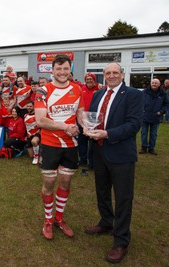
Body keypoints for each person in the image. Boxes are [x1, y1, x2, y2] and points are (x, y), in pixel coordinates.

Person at [85, 63, 143, 264]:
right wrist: (87, 127)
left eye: (115, 72)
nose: (111, 76)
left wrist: (107, 134)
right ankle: (106, 223)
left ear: (122, 74)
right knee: (102, 192)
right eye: (108, 73)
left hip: (121, 154)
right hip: (99, 151)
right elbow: (91, 117)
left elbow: (134, 125)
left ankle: (121, 241)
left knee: (123, 198)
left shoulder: (133, 94)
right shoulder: (98, 95)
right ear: (104, 75)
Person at [34, 54, 84, 240]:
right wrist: (65, 127)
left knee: (65, 182)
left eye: (65, 68)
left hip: (71, 145)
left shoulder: (77, 89)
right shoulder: (43, 91)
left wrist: (86, 125)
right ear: (52, 70)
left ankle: (59, 219)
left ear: (70, 69)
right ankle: (48, 220)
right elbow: (40, 119)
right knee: (49, 183)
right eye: (58, 69)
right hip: (50, 144)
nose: (62, 72)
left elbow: (80, 114)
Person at [139, 79, 168, 155]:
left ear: (159, 84)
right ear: (150, 84)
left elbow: (166, 105)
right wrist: (141, 110)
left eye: (156, 83)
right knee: (144, 133)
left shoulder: (163, 94)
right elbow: (139, 102)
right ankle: (144, 147)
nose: (154, 84)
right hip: (145, 116)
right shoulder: (144, 92)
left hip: (156, 117)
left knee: (154, 134)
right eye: (152, 83)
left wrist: (161, 111)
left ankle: (151, 148)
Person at [78, 73, 100, 175]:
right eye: (87, 79)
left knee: (92, 142)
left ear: (94, 80)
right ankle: (82, 160)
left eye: (91, 79)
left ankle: (92, 162)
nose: (89, 81)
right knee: (82, 141)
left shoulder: (100, 89)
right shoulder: (81, 88)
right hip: (82, 118)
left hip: (93, 119)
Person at [24, 100, 41, 165]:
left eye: (30, 106)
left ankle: (36, 157)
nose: (29, 107)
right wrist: (25, 135)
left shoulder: (37, 116)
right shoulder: (25, 115)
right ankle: (39, 153)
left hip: (37, 134)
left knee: (34, 141)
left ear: (34, 107)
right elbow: (25, 127)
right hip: (29, 136)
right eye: (27, 106)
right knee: (31, 155)